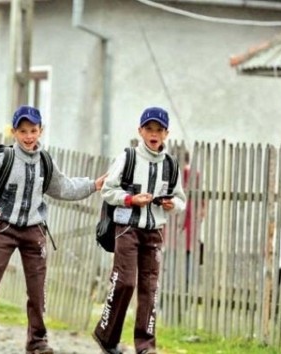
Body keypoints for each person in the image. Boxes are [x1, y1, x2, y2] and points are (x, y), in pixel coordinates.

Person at [0, 105, 106, 354]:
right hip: (5, 228)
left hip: (34, 232)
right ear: (14, 133)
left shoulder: (45, 161)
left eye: (33, 130)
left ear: (41, 130)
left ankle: (37, 343)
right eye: (23, 131)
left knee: (37, 290)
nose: (29, 136)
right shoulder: (5, 159)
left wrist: (93, 185)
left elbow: (63, 187)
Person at [92, 107, 186, 354]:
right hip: (127, 228)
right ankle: (107, 337)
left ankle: (145, 346)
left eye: (159, 129)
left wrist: (171, 204)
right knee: (124, 282)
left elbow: (181, 200)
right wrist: (131, 200)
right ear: (140, 131)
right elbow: (107, 190)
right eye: (149, 129)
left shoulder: (171, 164)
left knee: (150, 287)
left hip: (155, 231)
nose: (154, 134)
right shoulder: (128, 157)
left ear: (166, 133)